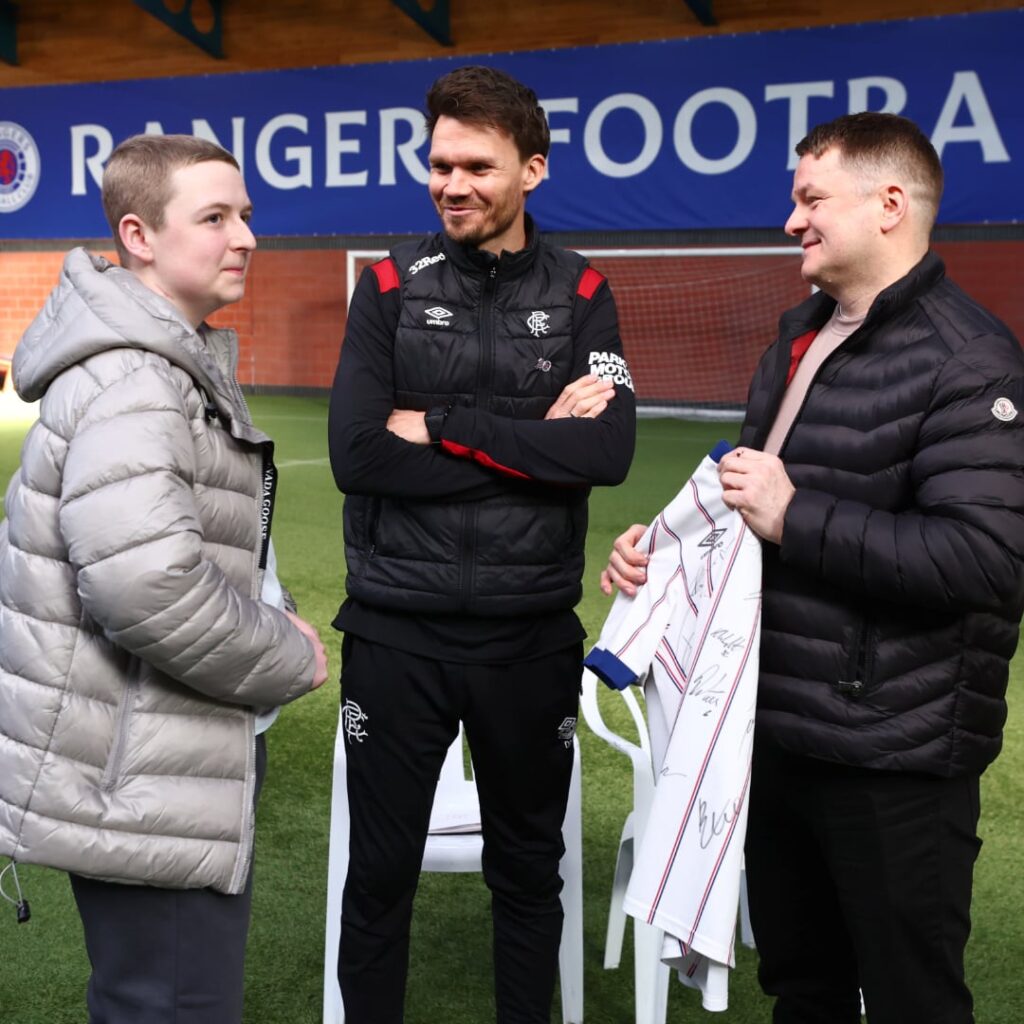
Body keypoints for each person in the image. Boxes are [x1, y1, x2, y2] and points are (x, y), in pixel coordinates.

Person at [601, 112, 1024, 1024]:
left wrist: (799, 515)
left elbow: (987, 561)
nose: (792, 220)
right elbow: (747, 509)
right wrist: (664, 555)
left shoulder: (971, 358)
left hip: (895, 757)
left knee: (914, 999)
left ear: (890, 205)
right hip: (775, 732)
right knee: (802, 989)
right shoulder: (798, 336)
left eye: (810, 198)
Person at [329, 64, 636, 1023]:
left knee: (527, 876)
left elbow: (609, 449)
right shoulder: (385, 287)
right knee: (378, 877)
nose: (451, 184)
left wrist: (448, 420)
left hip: (528, 636)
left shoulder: (585, 290)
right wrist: (534, 444)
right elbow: (358, 455)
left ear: (532, 170)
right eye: (439, 164)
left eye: (477, 165)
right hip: (396, 635)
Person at [0, 133, 329, 1024]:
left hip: (149, 757)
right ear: (139, 235)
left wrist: (272, 605)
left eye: (248, 215)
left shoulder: (163, 361)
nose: (246, 237)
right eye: (215, 217)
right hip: (141, 770)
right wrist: (287, 653)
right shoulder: (135, 380)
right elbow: (147, 587)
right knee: (173, 1006)